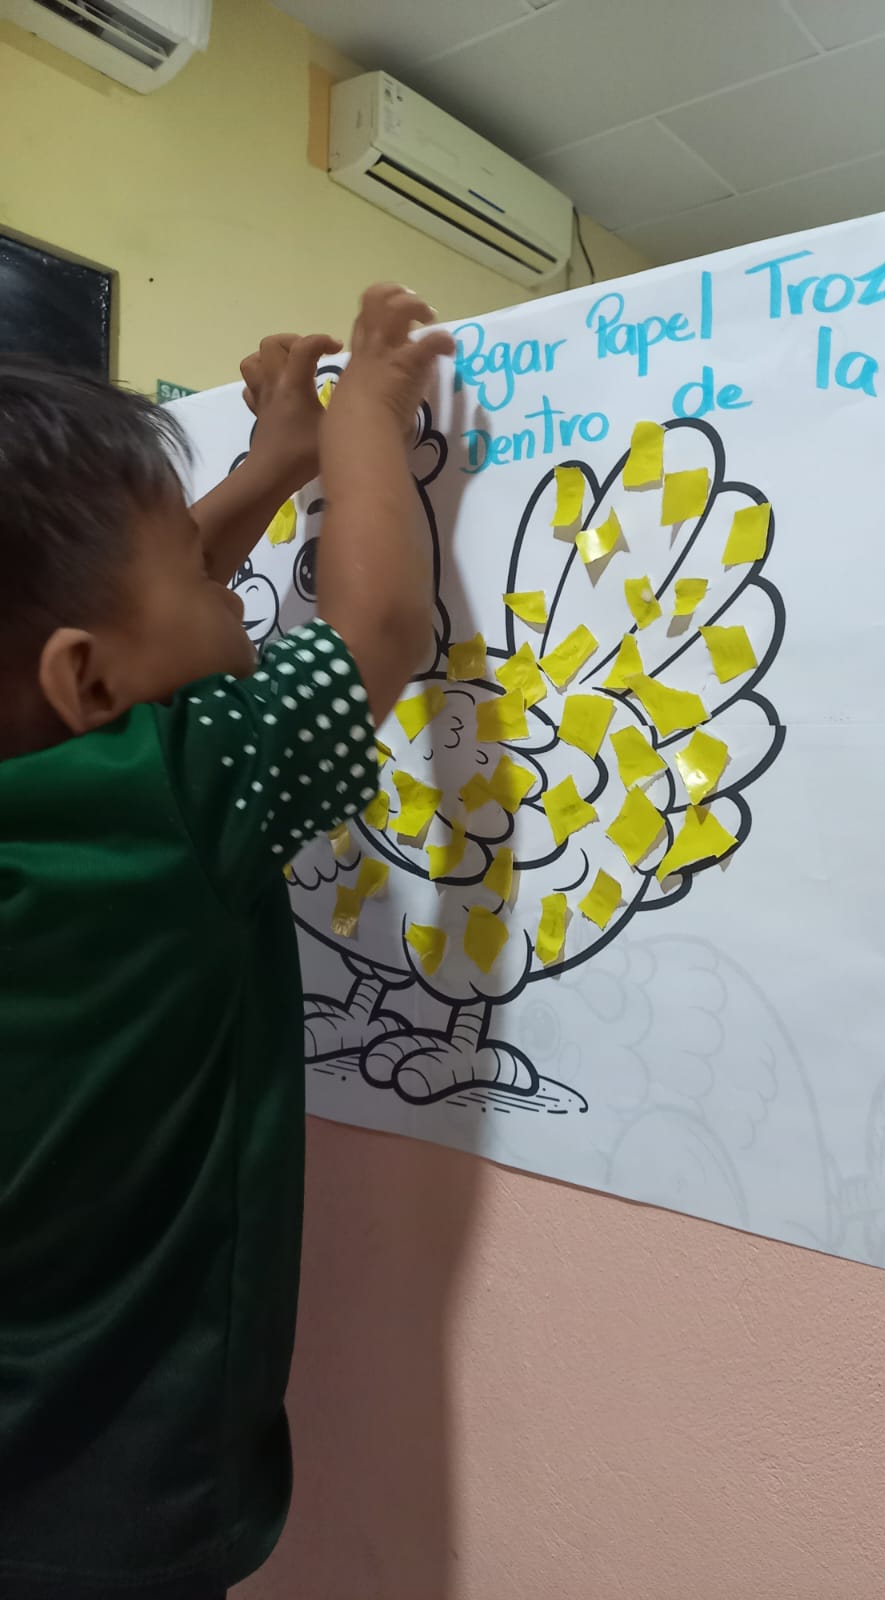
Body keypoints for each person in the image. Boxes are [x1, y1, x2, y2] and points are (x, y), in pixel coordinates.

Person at [0, 284, 455, 1599]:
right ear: (87, 682)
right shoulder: (164, 792)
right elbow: (377, 629)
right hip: (120, 1492)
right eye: (204, 586)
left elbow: (93, 617)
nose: (239, 604)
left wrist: (269, 464)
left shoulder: (61, 760)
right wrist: (366, 420)